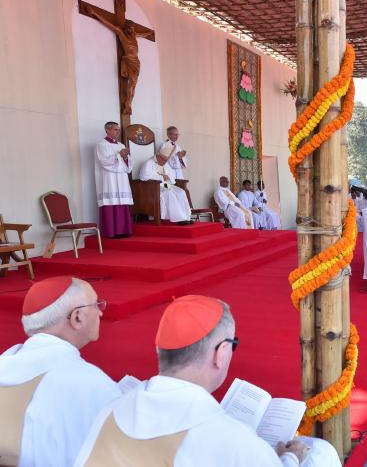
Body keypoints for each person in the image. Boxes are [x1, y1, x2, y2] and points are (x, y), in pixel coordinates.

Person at [74, 295, 339, 466]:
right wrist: (290, 458)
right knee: (320, 453)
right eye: (232, 344)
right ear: (220, 353)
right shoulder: (233, 440)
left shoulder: (110, 409)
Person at [0, 277, 120, 466]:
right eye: (96, 304)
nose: (101, 312)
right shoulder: (89, 383)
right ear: (77, 317)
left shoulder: (6, 361)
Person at [95, 121, 133, 238]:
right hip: (109, 178)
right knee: (111, 202)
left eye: (118, 129)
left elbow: (128, 165)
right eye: (115, 129)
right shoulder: (102, 144)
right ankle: (111, 232)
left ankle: (123, 230)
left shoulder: (121, 145)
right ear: (107, 130)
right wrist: (118, 156)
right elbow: (103, 161)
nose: (118, 132)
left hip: (121, 178)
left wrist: (126, 157)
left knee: (121, 202)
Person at [138, 145, 193, 224]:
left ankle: (186, 217)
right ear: (158, 156)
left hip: (166, 185)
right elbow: (143, 177)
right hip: (153, 188)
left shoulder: (164, 164)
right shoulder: (148, 163)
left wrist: (167, 178)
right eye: (163, 160)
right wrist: (161, 177)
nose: (164, 162)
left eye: (166, 160)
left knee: (181, 192)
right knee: (169, 193)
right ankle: (179, 219)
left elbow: (171, 177)